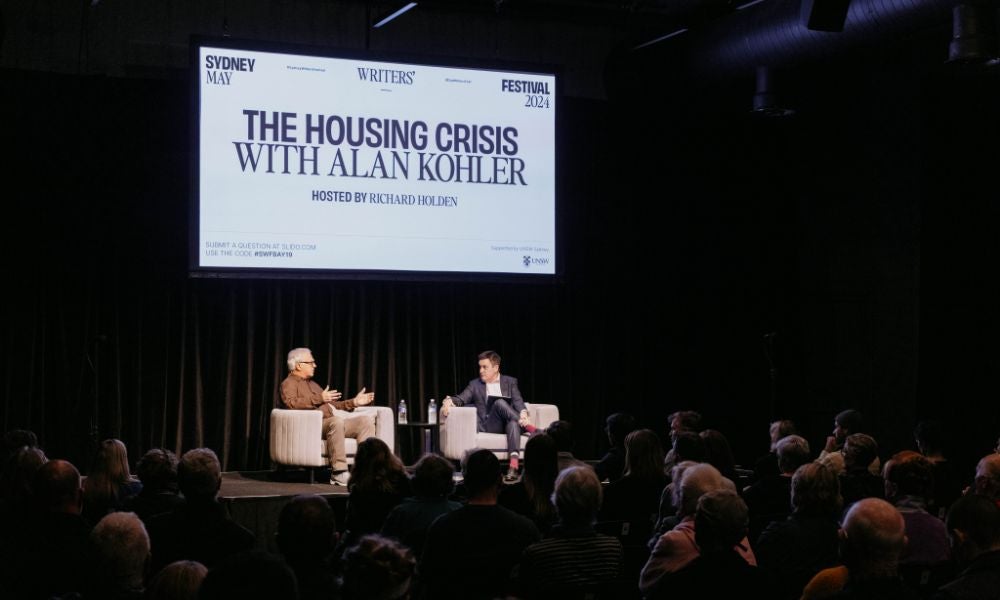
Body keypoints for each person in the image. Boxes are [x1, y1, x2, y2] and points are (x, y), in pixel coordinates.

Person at [280, 347, 376, 486]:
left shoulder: (313, 384)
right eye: (311, 362)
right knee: (335, 422)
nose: (315, 365)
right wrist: (319, 398)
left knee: (364, 421)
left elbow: (333, 405)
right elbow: (291, 403)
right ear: (299, 365)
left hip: (330, 423)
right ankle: (339, 472)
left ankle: (365, 471)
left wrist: (354, 402)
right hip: (311, 426)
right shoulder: (288, 383)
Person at [442, 350, 535, 481]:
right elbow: (462, 398)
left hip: (509, 423)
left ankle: (513, 468)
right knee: (499, 403)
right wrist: (449, 401)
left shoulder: (510, 381)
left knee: (513, 422)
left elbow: (518, 400)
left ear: (496, 367)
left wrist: (524, 413)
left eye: (485, 367)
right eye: (480, 367)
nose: (481, 370)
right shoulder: (474, 385)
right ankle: (531, 429)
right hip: (490, 425)